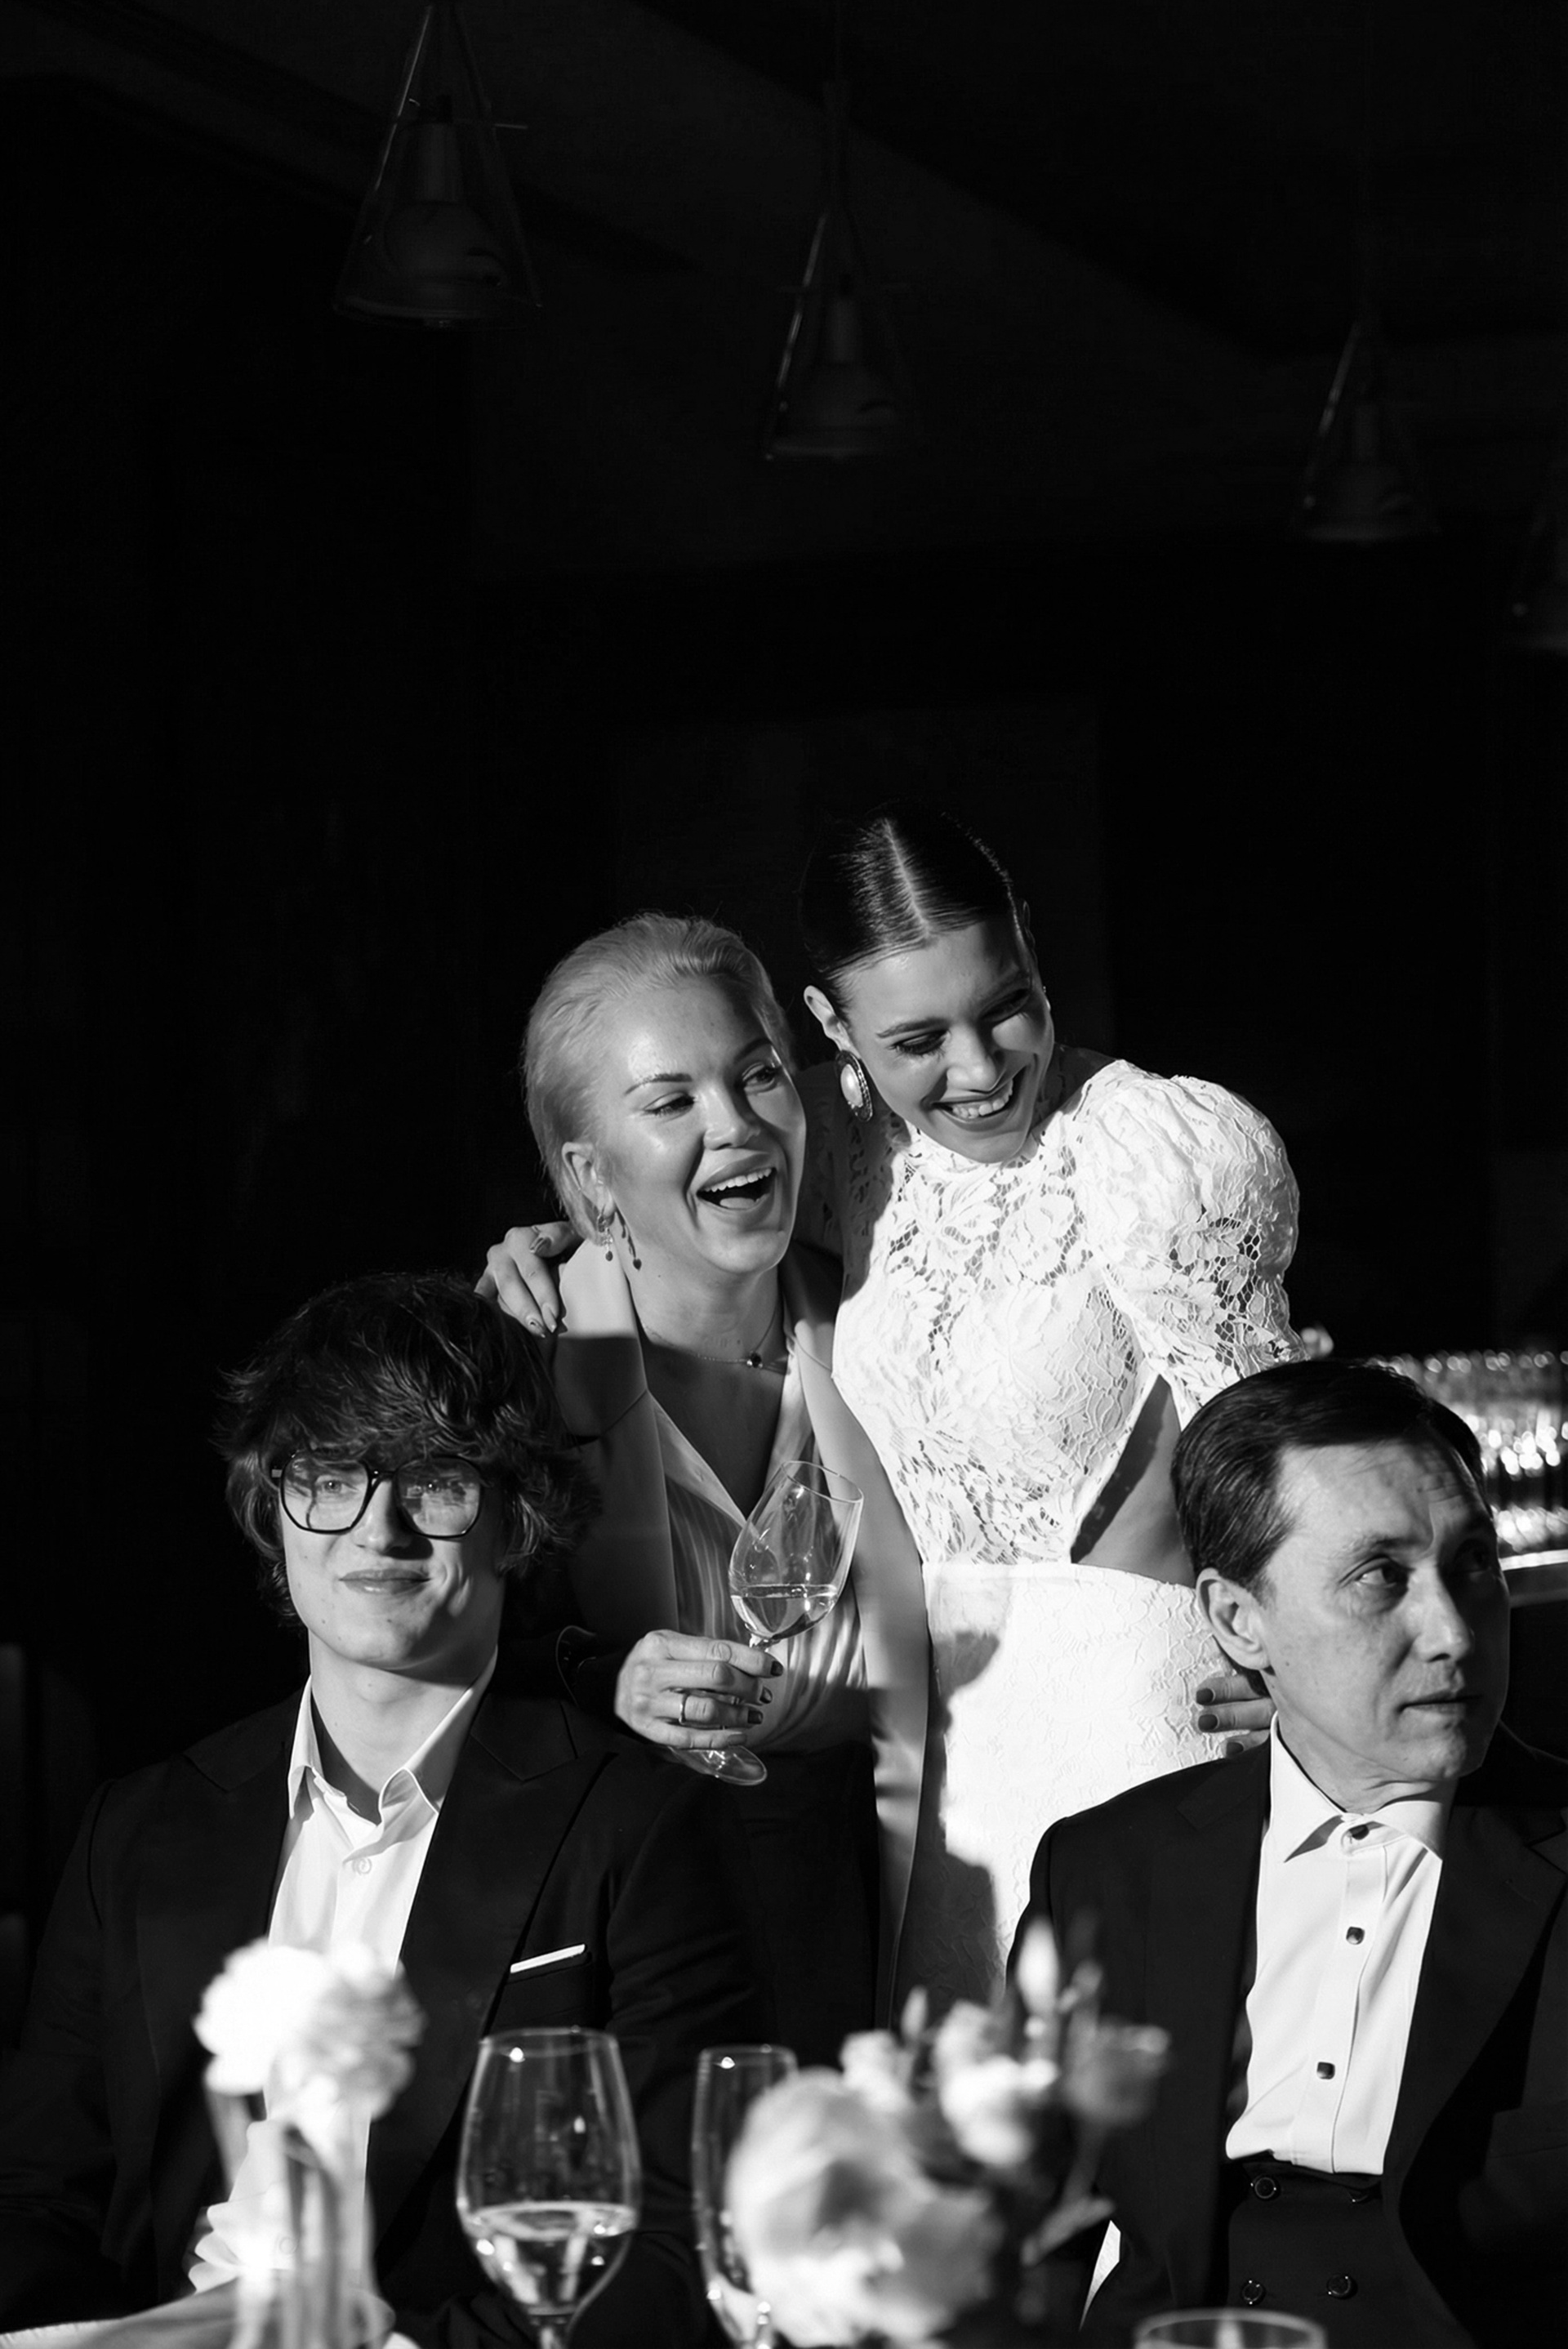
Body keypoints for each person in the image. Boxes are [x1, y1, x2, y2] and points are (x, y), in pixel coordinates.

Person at [490, 804, 1298, 2008]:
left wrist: (1304, 1651)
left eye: (1008, 1003)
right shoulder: (812, 1167)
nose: (978, 1069)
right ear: (838, 1031)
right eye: (917, 1037)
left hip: (1123, 1726)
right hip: (846, 1844)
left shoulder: (1132, 1155)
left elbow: (1280, 1450)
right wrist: (566, 1234)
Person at [0, 1271, 767, 2345]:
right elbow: (35, 2196)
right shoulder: (135, 1828)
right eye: (330, 1476)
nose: (379, 1527)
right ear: (273, 1507)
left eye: (437, 1479)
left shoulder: (640, 1825)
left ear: (517, 1516)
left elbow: (680, 2247)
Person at [1014, 1356, 1566, 2349]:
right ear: (1239, 1619)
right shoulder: (1108, 1867)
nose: (1453, 1631)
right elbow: (1026, 2241)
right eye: (1380, 1576)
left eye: (1474, 1562)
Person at [516, 914, 929, 2056]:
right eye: (671, 1101)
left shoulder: (893, 1329)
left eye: (757, 1074)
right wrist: (600, 1677)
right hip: (628, 1953)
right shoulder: (528, 1368)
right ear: (588, 1176)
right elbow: (437, 1667)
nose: (738, 1123)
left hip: (885, 1923)